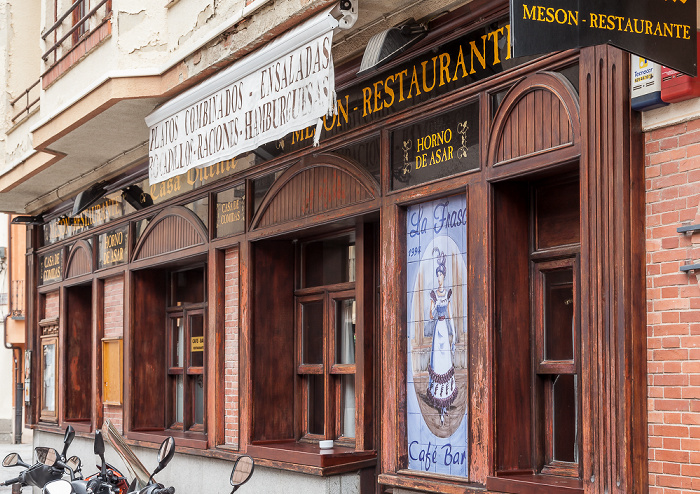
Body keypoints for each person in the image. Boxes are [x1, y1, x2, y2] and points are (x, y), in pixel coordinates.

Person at [425, 247, 458, 425]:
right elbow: (431, 316)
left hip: (444, 329)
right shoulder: (434, 295)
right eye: (437, 275)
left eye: (441, 275)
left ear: (444, 276)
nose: (439, 278)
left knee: (446, 364)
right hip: (438, 329)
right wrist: (432, 308)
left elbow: (451, 315)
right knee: (437, 364)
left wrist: (455, 334)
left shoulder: (447, 294)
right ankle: (439, 403)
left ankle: (446, 403)